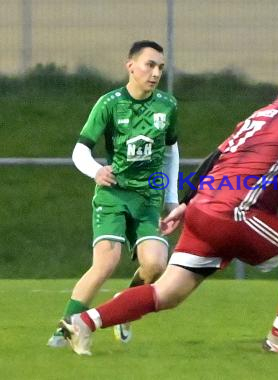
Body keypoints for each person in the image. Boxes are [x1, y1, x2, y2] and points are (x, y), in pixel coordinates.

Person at [59, 67, 278, 356]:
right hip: (234, 214)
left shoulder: (260, 115)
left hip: (202, 210)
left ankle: (84, 322)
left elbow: (214, 158)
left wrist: (187, 203)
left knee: (167, 293)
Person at [47, 40, 179, 347]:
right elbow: (80, 151)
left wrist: (171, 197)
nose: (155, 72)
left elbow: (172, 151)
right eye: (149, 65)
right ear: (130, 66)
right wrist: (96, 170)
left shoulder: (168, 105)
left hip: (148, 199)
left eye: (160, 67)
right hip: (113, 195)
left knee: (157, 264)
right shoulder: (109, 104)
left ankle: (125, 306)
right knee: (106, 262)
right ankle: (64, 328)